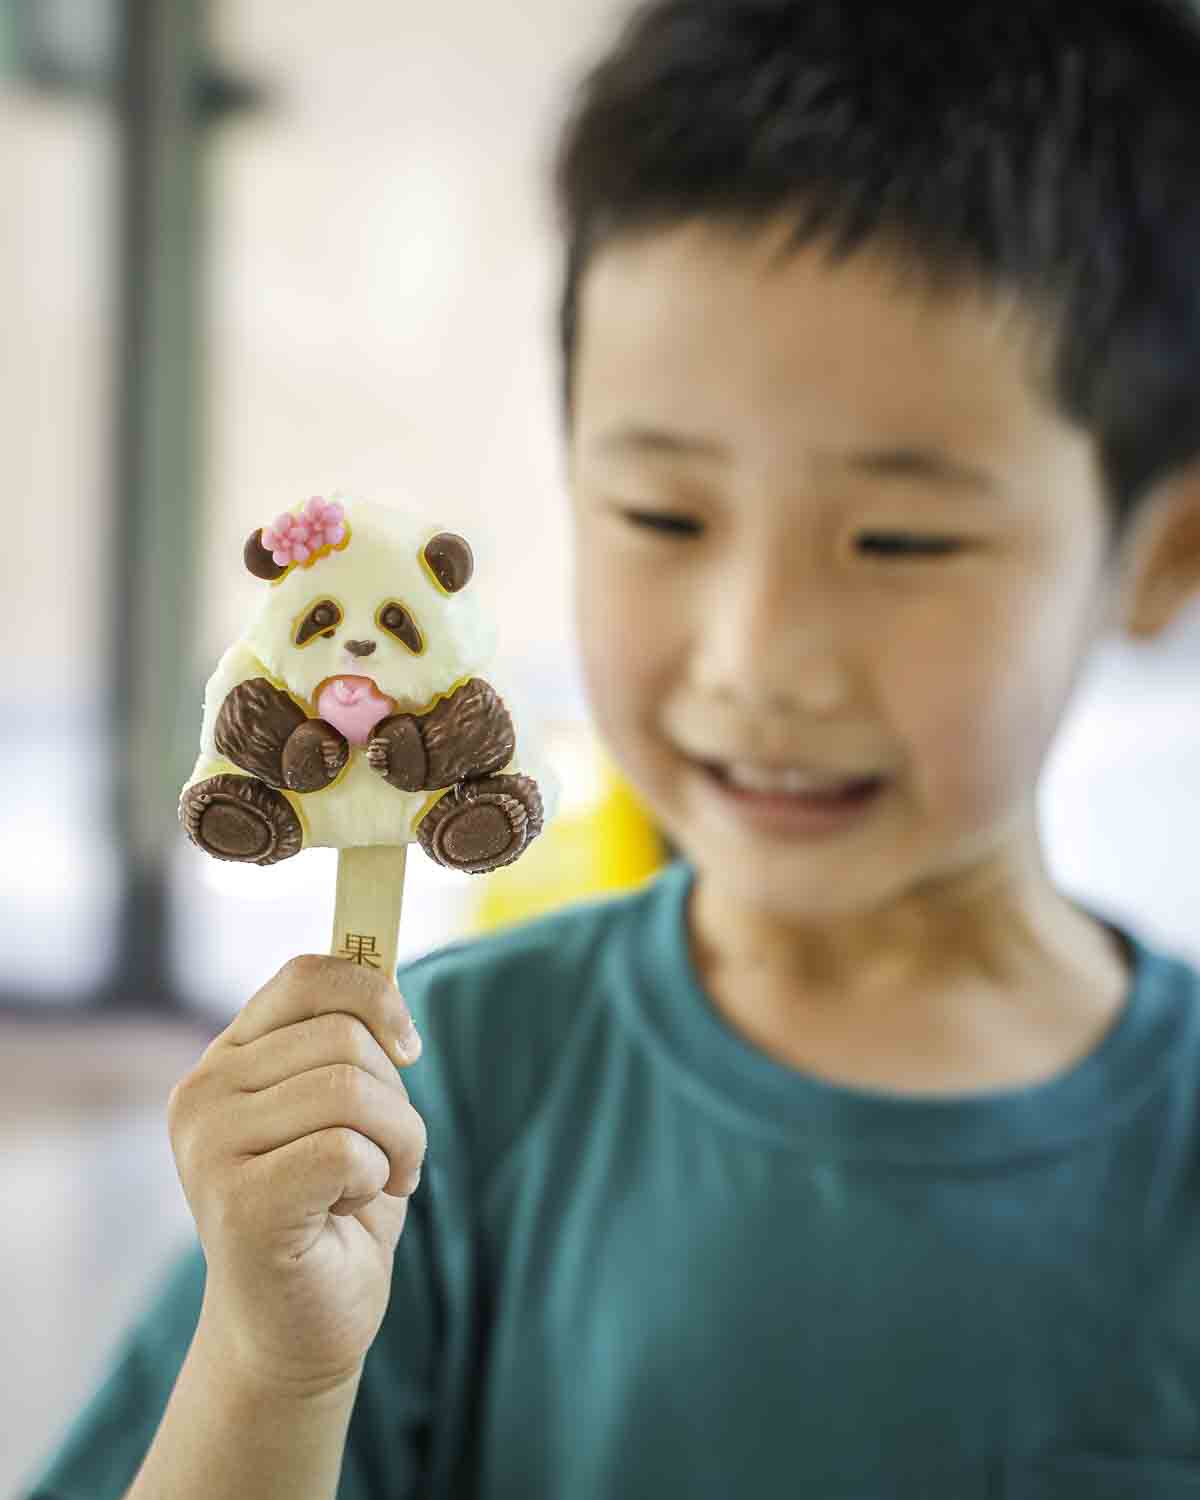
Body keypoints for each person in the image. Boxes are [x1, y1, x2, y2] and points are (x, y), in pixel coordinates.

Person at [23, 1, 1200, 1496]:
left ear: (1163, 553)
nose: (756, 655)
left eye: (901, 537)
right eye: (663, 515)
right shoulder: (424, 1107)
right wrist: (268, 1364)